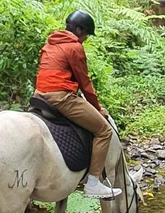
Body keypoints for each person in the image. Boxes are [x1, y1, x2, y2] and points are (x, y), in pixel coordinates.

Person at [33, 10, 123, 199]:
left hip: (40, 95)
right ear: (79, 29)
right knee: (104, 131)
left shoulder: (50, 44)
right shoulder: (74, 47)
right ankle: (93, 182)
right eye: (86, 35)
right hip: (61, 98)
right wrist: (97, 109)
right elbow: (85, 83)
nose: (85, 40)